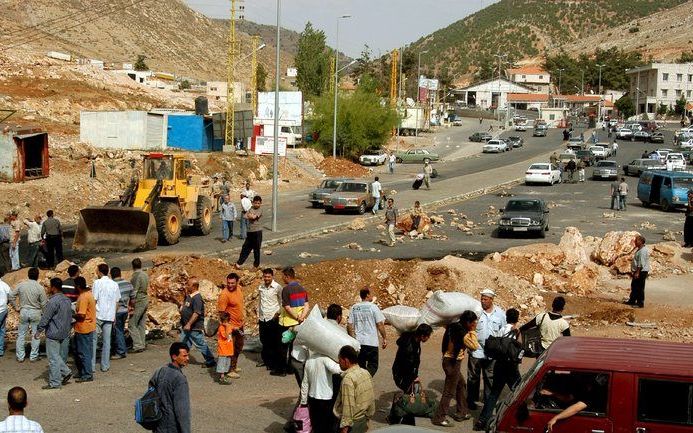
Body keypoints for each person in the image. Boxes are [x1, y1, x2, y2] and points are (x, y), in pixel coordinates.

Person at [474, 308, 522, 431]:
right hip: (511, 367)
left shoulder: (501, 330)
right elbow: (520, 349)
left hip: (499, 365)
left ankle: (482, 420)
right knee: (519, 392)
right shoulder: (516, 331)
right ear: (517, 319)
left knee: (494, 394)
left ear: (506, 318)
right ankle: (522, 418)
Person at [432, 311, 479, 427]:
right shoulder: (462, 331)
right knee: (449, 392)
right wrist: (473, 330)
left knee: (461, 385)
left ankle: (462, 411)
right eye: (473, 323)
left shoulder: (454, 326)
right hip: (452, 363)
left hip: (449, 361)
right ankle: (439, 417)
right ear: (468, 322)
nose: (474, 324)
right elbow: (474, 346)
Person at [467, 288, 506, 410]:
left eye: (485, 299)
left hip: (492, 353)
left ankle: (488, 401)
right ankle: (471, 400)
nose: (483, 301)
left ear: (491, 300)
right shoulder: (476, 312)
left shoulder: (500, 314)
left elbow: (503, 331)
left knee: (489, 377)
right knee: (473, 377)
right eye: (482, 299)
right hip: (476, 350)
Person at [35, 278, 72, 389]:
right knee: (56, 356)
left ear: (53, 287)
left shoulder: (53, 301)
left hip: (53, 332)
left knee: (53, 358)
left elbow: (46, 317)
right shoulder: (67, 300)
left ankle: (55, 382)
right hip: (65, 332)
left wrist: (39, 330)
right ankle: (65, 371)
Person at [150, 342, 192, 433]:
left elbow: (150, 391)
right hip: (172, 427)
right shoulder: (180, 379)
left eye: (188, 355)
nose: (187, 358)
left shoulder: (160, 370)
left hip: (158, 424)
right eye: (184, 356)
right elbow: (182, 411)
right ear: (174, 357)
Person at [275, 267, 309, 376]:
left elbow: (287, 307)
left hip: (287, 323)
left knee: (282, 347)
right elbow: (306, 306)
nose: (282, 278)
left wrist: (296, 317)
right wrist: (301, 318)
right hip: (297, 324)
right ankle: (290, 368)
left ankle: (281, 370)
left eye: (283, 276)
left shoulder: (286, 289)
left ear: (287, 276)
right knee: (292, 347)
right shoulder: (302, 288)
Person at [334, 345, 375, 433]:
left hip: (352, 426)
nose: (338, 362)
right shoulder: (365, 373)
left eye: (340, 360)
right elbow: (371, 398)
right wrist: (367, 420)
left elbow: (347, 406)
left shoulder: (348, 379)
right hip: (363, 421)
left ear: (346, 361)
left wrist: (344, 428)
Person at [347, 288, 387, 377]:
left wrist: (353, 339)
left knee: (360, 366)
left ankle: (362, 381)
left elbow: (349, 325)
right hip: (371, 342)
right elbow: (380, 324)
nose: (372, 296)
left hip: (359, 342)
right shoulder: (373, 307)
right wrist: (384, 338)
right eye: (371, 294)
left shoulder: (354, 307)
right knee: (373, 365)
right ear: (367, 295)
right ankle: (366, 379)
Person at [11, 267, 47, 363]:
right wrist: (45, 314)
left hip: (23, 311)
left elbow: (11, 296)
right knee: (36, 334)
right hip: (36, 312)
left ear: (28, 275)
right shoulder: (40, 288)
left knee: (21, 334)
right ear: (37, 276)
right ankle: (33, 356)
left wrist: (16, 307)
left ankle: (20, 356)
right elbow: (44, 304)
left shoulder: (21, 285)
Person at [300, 353, 342, 433]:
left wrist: (303, 401)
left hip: (312, 397)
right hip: (326, 398)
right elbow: (338, 369)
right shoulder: (325, 359)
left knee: (316, 425)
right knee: (327, 425)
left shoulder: (309, 360)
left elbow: (305, 383)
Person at [179, 277, 216, 367]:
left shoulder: (197, 298)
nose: (186, 286)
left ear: (194, 286)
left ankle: (210, 360)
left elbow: (196, 313)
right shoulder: (189, 296)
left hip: (194, 327)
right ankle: (181, 359)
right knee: (184, 343)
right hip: (187, 326)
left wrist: (189, 324)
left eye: (188, 285)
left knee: (200, 344)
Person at [92, 263, 120, 372]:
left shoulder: (97, 283)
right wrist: (114, 315)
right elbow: (117, 301)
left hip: (98, 314)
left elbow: (94, 299)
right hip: (109, 315)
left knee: (94, 340)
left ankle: (92, 366)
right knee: (107, 341)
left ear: (99, 271)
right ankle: (105, 365)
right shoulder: (114, 284)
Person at [217, 273, 245, 377]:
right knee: (230, 348)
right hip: (231, 328)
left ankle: (234, 365)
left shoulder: (239, 289)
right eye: (228, 283)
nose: (230, 285)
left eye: (232, 283)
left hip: (240, 325)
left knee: (239, 346)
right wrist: (229, 327)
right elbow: (221, 314)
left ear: (237, 282)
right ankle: (229, 370)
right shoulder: (224, 295)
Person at [391, 323, 433, 392]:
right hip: (401, 374)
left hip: (403, 373)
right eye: (428, 336)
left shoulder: (415, 339)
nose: (428, 338)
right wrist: (414, 377)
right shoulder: (409, 346)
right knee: (411, 393)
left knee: (411, 392)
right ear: (422, 336)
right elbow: (407, 363)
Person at [257, 268, 282, 370]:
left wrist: (278, 313)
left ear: (272, 277)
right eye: (265, 276)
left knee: (274, 340)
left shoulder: (277, 287)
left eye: (268, 276)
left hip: (273, 317)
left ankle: (273, 363)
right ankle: (266, 360)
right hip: (263, 318)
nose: (266, 278)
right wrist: (258, 314)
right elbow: (260, 301)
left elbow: (282, 301)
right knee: (264, 340)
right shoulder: (261, 287)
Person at [73, 276, 96, 382]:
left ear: (77, 286)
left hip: (83, 327)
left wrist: (73, 315)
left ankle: (87, 374)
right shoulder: (89, 294)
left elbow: (81, 315)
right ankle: (83, 371)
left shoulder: (83, 297)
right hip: (89, 326)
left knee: (83, 352)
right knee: (83, 351)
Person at [111, 267, 134, 359]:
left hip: (116, 311)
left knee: (118, 331)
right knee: (120, 329)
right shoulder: (128, 284)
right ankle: (122, 348)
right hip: (125, 310)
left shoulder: (112, 285)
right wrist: (131, 307)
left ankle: (121, 351)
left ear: (111, 275)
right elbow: (133, 298)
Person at [235, 195, 263, 269]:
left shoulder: (260, 210)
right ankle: (239, 263)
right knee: (245, 248)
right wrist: (250, 215)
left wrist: (250, 215)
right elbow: (245, 216)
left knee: (256, 249)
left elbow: (253, 217)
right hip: (250, 232)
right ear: (253, 203)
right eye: (255, 203)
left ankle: (256, 265)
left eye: (258, 203)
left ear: (260, 203)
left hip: (257, 232)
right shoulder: (251, 208)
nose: (257, 204)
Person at [129, 258, 149, 353]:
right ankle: (142, 343)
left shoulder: (135, 276)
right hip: (145, 298)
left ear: (133, 266)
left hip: (139, 300)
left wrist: (131, 306)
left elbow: (134, 292)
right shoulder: (145, 274)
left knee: (132, 324)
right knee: (141, 323)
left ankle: (137, 345)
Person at [625, 235, 649, 308]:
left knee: (639, 287)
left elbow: (641, 263)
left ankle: (640, 303)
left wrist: (637, 272)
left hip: (641, 271)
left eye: (636, 241)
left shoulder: (643, 251)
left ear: (641, 242)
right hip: (638, 271)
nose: (635, 242)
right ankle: (632, 300)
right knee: (634, 286)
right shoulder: (640, 249)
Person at [216, 312, 235, 384]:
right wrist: (227, 327)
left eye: (226, 322)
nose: (225, 323)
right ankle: (222, 377)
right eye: (224, 322)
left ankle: (225, 374)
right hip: (223, 348)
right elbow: (225, 336)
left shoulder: (229, 326)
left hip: (228, 348)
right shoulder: (221, 327)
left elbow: (232, 328)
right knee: (222, 363)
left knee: (227, 362)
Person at [0, 273, 10, 357]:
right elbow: (10, 295)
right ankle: (0, 350)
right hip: (3, 310)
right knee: (2, 330)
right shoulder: (4, 285)